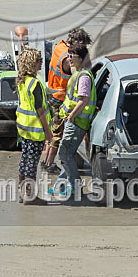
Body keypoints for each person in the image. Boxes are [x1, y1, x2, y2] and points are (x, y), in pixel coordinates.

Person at [43, 27, 93, 173]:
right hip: (60, 98)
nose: (83, 49)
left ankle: (47, 162)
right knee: (57, 134)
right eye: (83, 45)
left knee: (55, 131)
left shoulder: (60, 46)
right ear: (77, 42)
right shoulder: (68, 58)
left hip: (52, 92)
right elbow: (77, 73)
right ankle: (49, 164)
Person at [50, 44, 96, 198]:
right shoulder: (79, 73)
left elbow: (84, 100)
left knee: (65, 154)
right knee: (67, 154)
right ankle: (62, 185)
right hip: (73, 120)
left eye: (72, 56)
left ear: (81, 58)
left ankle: (75, 186)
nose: (69, 58)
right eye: (68, 55)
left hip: (77, 122)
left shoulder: (84, 77)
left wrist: (71, 116)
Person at [15, 47, 53, 204]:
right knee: (32, 163)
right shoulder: (35, 83)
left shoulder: (22, 80)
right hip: (35, 130)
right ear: (31, 63)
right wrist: (48, 132)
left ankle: (22, 193)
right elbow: (40, 110)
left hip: (24, 128)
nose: (41, 62)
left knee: (25, 159)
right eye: (39, 60)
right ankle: (29, 196)